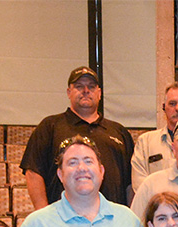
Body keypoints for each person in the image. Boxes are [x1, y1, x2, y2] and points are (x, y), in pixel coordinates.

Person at [21, 66, 133, 208]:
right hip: (62, 221)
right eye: (79, 86)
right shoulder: (50, 126)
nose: (86, 91)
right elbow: (33, 172)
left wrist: (128, 217)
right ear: (69, 92)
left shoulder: (119, 132)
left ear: (99, 93)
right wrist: (44, 217)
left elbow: (130, 184)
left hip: (111, 221)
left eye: (91, 87)